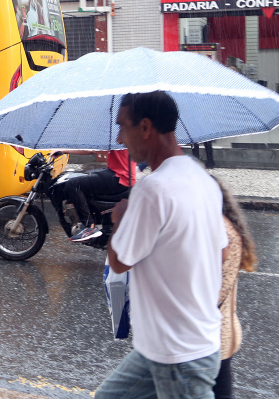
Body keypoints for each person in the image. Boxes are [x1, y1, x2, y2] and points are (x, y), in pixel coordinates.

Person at [95, 91, 227, 399]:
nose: (119, 138)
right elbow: (222, 251)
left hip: (178, 353)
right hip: (166, 346)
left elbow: (119, 261)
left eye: (122, 127)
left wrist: (120, 219)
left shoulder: (152, 190)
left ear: (145, 128)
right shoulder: (202, 178)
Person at [211, 178, 258, 399]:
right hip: (217, 335)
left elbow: (216, 292)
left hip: (216, 336)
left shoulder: (221, 231)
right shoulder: (217, 225)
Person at [66, 149, 136, 243]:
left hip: (119, 177)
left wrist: (64, 151)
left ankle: (89, 226)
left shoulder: (117, 137)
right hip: (122, 175)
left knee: (74, 184)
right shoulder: (124, 136)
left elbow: (91, 150)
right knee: (88, 178)